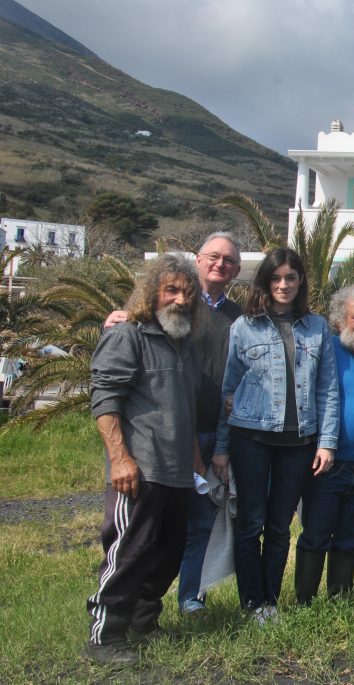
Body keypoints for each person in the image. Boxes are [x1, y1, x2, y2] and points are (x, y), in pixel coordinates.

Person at [104, 233, 244, 614]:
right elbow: (115, 380)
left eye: (229, 261)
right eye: (213, 256)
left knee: (192, 526)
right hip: (158, 439)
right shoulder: (160, 314)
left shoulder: (238, 318)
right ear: (198, 259)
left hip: (213, 433)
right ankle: (120, 614)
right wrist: (122, 318)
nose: (220, 264)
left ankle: (187, 598)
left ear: (236, 271)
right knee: (142, 532)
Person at [86, 254, 207, 665]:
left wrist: (195, 462)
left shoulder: (183, 345)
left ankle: (142, 622)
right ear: (151, 292)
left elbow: (185, 409)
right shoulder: (129, 335)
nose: (179, 299)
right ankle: (105, 635)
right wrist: (120, 459)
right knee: (129, 551)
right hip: (138, 469)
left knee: (169, 552)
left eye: (188, 293)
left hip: (176, 473)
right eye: (170, 289)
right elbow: (105, 399)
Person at [214, 248, 340, 624]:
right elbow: (227, 391)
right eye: (276, 278)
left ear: (301, 281)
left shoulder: (317, 328)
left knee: (280, 526)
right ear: (265, 282)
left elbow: (328, 389)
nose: (283, 285)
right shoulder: (244, 327)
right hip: (250, 437)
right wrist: (221, 448)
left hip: (299, 443)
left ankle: (270, 600)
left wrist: (327, 442)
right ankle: (251, 603)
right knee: (251, 521)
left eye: (291, 277)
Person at [294, 286, 354, 604]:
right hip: (328, 465)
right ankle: (305, 602)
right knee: (316, 536)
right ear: (338, 321)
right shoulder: (326, 350)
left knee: (352, 537)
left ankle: (339, 600)